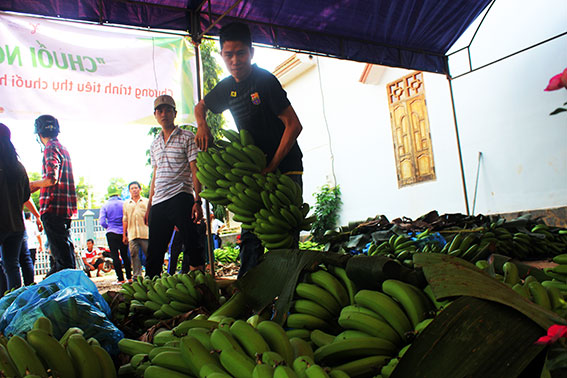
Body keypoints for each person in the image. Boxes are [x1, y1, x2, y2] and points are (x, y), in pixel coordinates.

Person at [194, 22, 304, 278]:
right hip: (254, 169)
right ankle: (249, 292)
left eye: (240, 53)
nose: (234, 60)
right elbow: (201, 106)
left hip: (285, 166)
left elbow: (293, 125)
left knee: (284, 234)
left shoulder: (265, 80)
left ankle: (290, 289)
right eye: (228, 54)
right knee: (252, 234)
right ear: (221, 55)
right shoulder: (226, 87)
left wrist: (272, 166)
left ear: (251, 53)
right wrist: (203, 127)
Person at [144, 94, 204, 278]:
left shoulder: (188, 137)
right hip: (159, 201)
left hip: (181, 196)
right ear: (155, 115)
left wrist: (198, 200)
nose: (164, 114)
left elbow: (195, 169)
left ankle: (200, 284)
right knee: (155, 250)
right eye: (160, 111)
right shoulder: (154, 144)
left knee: (192, 243)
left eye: (168, 110)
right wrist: (149, 206)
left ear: (174, 113)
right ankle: (150, 288)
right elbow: (155, 176)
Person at [29, 115, 77, 275]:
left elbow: (51, 178)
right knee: (64, 253)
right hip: (65, 210)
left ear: (38, 134)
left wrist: (32, 185)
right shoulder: (63, 148)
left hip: (52, 208)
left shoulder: (50, 148)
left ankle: (68, 292)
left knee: (62, 261)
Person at [0, 123, 30, 291]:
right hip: (16, 225)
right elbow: (25, 196)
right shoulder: (19, 167)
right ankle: (13, 303)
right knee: (12, 266)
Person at [100, 191, 132, 283]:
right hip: (123, 233)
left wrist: (109, 227)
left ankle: (120, 279)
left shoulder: (105, 205)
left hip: (111, 233)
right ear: (118, 195)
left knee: (115, 256)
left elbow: (102, 221)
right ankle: (129, 277)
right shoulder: (124, 204)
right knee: (125, 255)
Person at [123, 181, 149, 278]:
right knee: (134, 256)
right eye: (132, 188)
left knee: (149, 255)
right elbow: (125, 219)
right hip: (132, 234)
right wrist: (124, 235)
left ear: (140, 189)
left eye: (136, 188)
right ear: (129, 191)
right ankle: (137, 276)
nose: (134, 190)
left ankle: (151, 274)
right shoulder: (126, 203)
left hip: (145, 233)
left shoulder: (146, 202)